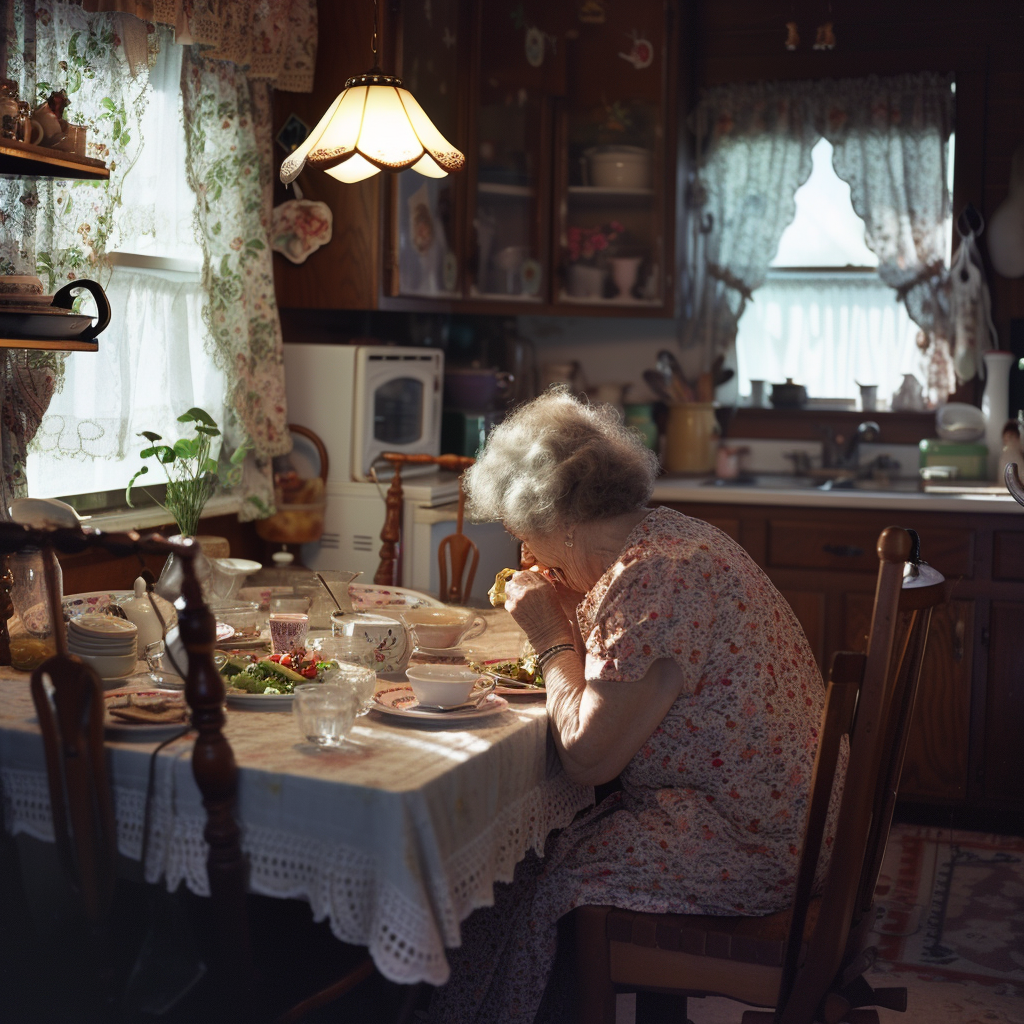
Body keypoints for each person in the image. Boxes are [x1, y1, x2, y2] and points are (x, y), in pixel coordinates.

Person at [428, 389, 843, 1024]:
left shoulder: (652, 582)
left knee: (524, 875)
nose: (523, 554)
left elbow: (588, 759)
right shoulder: (670, 539)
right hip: (792, 821)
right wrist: (572, 619)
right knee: (536, 848)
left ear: (551, 518)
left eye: (520, 533)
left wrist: (548, 636)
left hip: (758, 844)